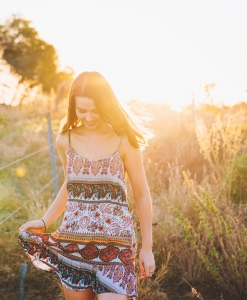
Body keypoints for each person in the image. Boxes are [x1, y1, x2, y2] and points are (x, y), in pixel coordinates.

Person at [18, 71, 155, 300]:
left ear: (107, 105)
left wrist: (147, 248)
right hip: (74, 242)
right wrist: (44, 221)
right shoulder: (66, 140)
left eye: (95, 110)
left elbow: (141, 194)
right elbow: (71, 185)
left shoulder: (125, 139)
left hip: (116, 245)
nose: (89, 117)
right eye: (82, 110)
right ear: (73, 108)